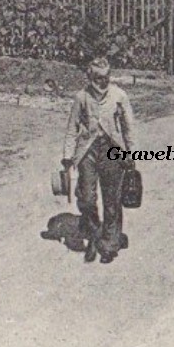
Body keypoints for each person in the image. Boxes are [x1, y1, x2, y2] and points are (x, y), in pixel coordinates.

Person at [62, 57, 136, 264]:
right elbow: (72, 128)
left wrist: (131, 153)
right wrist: (67, 156)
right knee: (86, 198)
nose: (102, 82)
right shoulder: (81, 97)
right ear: (89, 77)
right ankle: (94, 235)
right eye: (97, 78)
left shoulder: (119, 96)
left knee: (112, 200)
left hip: (112, 150)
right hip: (88, 151)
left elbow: (128, 127)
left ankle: (109, 243)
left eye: (106, 77)